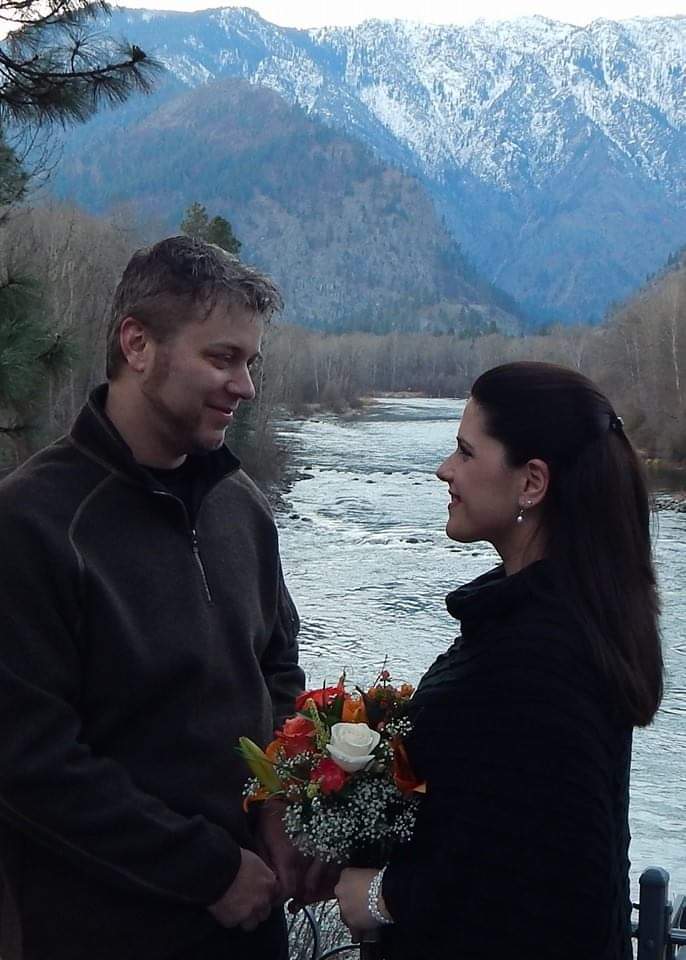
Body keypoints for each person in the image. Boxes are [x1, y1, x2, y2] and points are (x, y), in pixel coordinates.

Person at [0, 236, 308, 960]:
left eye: (250, 363)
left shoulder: (242, 507)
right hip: (99, 931)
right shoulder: (32, 523)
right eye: (222, 358)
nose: (246, 386)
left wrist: (280, 801)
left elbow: (279, 673)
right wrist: (206, 870)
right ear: (137, 344)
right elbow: (28, 761)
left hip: (250, 922)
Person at [335, 361, 663, 959]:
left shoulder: (539, 657)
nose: (444, 470)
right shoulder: (551, 617)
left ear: (531, 483)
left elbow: (546, 879)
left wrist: (383, 895)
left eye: (464, 452)